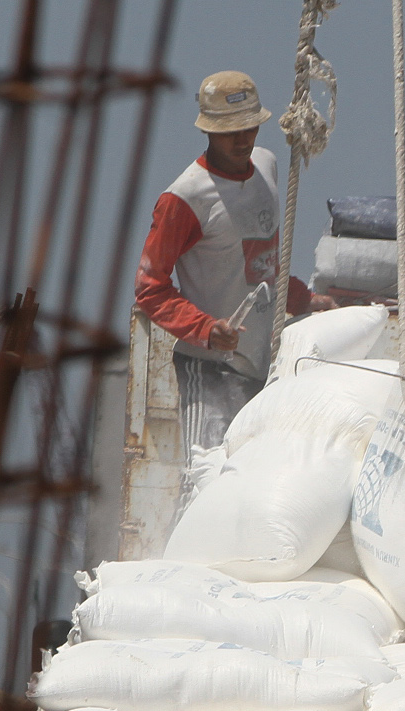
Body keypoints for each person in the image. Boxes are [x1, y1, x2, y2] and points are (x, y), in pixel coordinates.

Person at [135, 70, 321, 453]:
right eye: (229, 131)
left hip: (265, 364)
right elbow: (150, 290)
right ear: (207, 130)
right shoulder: (185, 198)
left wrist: (304, 300)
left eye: (249, 127)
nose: (242, 139)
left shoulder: (267, 166)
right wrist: (205, 329)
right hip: (212, 366)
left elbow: (263, 263)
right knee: (208, 475)